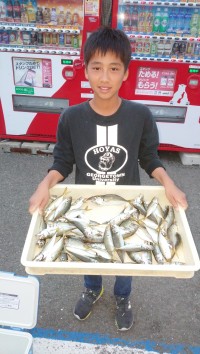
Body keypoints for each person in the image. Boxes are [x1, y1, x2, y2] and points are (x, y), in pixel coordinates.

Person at [29, 27, 188, 331]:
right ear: (85, 70)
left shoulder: (140, 116)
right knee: (88, 247)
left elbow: (149, 158)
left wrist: (168, 182)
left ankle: (123, 296)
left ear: (126, 73)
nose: (104, 78)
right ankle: (92, 287)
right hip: (86, 205)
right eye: (97, 68)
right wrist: (44, 184)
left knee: (124, 254)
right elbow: (63, 161)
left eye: (114, 69)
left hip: (126, 205)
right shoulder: (71, 118)